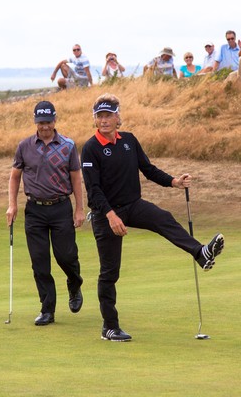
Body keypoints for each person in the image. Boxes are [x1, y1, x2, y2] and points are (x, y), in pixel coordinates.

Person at [81, 93, 225, 342]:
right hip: (106, 214)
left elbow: (148, 169)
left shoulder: (129, 140)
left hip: (132, 205)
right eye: (100, 116)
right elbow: (93, 190)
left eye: (109, 115)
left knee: (163, 218)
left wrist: (174, 181)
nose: (104, 120)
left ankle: (200, 253)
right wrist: (111, 216)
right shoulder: (90, 148)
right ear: (95, 120)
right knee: (110, 271)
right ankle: (110, 327)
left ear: (118, 118)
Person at [6, 101, 85, 326]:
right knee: (40, 262)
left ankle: (74, 282)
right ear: (35, 122)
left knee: (66, 256)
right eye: (40, 122)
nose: (45, 127)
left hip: (61, 207)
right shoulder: (25, 146)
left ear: (54, 120)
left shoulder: (68, 145)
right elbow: (14, 176)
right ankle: (47, 309)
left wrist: (79, 209)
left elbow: (76, 178)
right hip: (34, 210)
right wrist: (12, 205)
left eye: (48, 122)